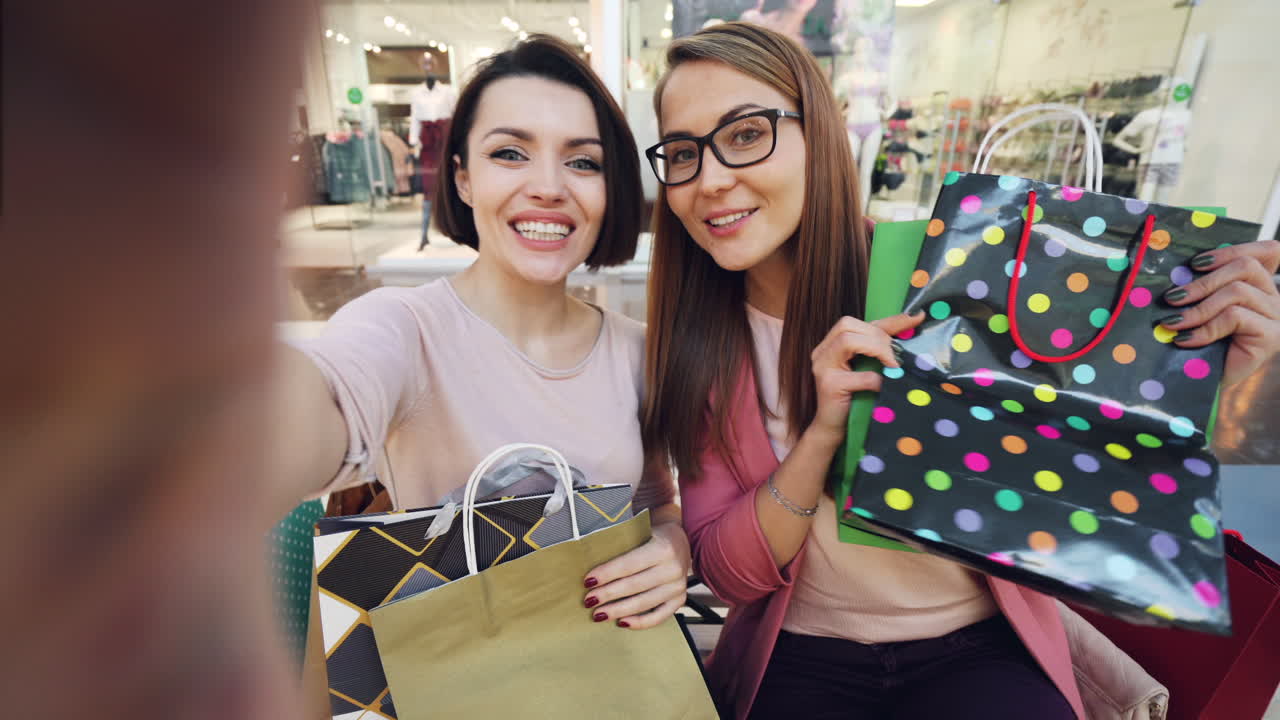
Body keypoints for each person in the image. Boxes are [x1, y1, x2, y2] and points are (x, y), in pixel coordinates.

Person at [640, 22, 1280, 720]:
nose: (711, 179)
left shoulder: (949, 273)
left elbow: (1073, 468)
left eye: (744, 134)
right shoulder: (697, 346)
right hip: (795, 652)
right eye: (682, 153)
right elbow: (732, 577)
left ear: (818, 133)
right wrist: (825, 432)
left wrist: (1206, 375)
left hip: (980, 642)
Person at [275, 35, 690, 630]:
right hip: (452, 681)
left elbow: (654, 507)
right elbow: (325, 399)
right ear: (463, 179)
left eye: (582, 161)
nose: (549, 186)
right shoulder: (407, 329)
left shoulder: (636, 350)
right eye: (511, 154)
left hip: (606, 677)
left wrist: (673, 549)